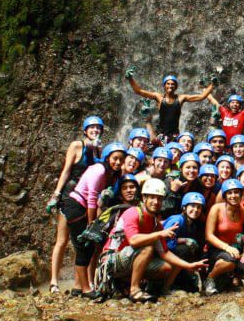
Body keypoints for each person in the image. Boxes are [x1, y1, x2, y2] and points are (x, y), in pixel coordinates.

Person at [99, 179, 208, 302]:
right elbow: (134, 240)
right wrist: (160, 234)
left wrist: (189, 266)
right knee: (147, 248)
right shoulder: (132, 213)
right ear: (144, 198)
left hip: (128, 259)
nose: (156, 202)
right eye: (152, 198)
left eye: (159, 199)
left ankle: (126, 282)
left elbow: (165, 253)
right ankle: (134, 290)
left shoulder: (155, 224)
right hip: (112, 259)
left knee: (166, 267)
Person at [47, 116, 104, 294]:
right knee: (62, 240)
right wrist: (56, 194)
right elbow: (66, 171)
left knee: (84, 243)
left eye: (98, 128)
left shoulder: (98, 151)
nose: (95, 130)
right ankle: (54, 282)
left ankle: (80, 283)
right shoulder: (76, 145)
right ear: (85, 130)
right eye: (92, 127)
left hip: (87, 200)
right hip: (69, 197)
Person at [62, 141, 126, 298]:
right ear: (107, 157)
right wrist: (92, 225)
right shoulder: (99, 171)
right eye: (115, 158)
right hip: (76, 206)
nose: (118, 162)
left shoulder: (110, 173)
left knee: (84, 248)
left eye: (120, 160)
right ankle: (86, 289)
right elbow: (91, 198)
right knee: (84, 247)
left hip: (80, 207)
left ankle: (78, 287)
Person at [204, 179, 244, 294]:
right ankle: (210, 278)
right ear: (225, 196)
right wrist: (227, 248)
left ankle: (236, 273)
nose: (233, 196)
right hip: (217, 250)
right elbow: (209, 235)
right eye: (230, 193)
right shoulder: (216, 209)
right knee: (230, 261)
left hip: (236, 251)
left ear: (241, 194)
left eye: (236, 192)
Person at [125, 70, 214, 142]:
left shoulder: (181, 98)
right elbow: (139, 91)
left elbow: (201, 96)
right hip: (160, 134)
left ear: (176, 87)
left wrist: (212, 85)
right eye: (168, 83)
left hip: (174, 135)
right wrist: (130, 79)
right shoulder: (159, 97)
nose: (170, 85)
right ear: (164, 86)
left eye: (173, 84)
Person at [163, 192, 208, 291]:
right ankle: (167, 286)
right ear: (184, 207)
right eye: (192, 206)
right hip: (164, 255)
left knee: (192, 288)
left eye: (199, 207)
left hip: (176, 258)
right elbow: (164, 241)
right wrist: (183, 240)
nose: (195, 210)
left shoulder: (192, 225)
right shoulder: (178, 220)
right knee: (184, 249)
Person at [167, 153, 201, 218]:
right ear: (181, 169)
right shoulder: (171, 180)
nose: (191, 170)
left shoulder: (198, 184)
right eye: (188, 167)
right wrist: (173, 192)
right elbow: (164, 209)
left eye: (194, 168)